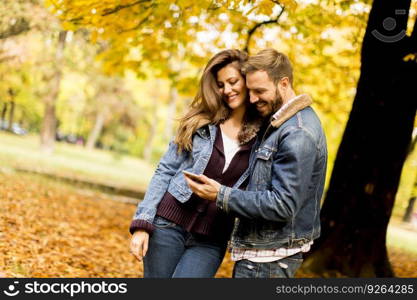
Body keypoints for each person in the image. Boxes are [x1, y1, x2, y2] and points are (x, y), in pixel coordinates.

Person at [185, 48, 327, 278]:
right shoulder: (279, 124)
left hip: (268, 260)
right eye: (250, 91)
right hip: (260, 255)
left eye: (260, 91)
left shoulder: (297, 133)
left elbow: (283, 204)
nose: (252, 99)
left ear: (283, 83)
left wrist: (220, 194)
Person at [129, 49, 262, 278]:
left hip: (211, 239)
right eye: (221, 85)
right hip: (167, 225)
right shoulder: (201, 122)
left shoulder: (263, 136)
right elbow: (165, 170)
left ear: (247, 80)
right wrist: (142, 224)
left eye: (233, 82)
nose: (227, 90)